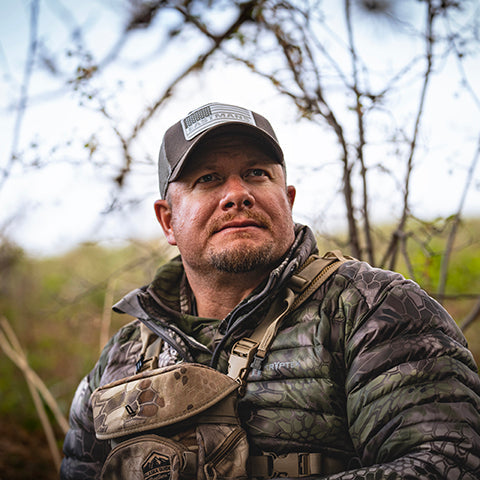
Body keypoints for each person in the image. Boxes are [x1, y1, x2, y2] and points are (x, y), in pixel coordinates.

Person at [61, 102, 480, 479]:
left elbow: (446, 460)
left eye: (256, 174)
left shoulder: (374, 309)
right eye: (208, 179)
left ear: (288, 199)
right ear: (167, 221)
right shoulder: (122, 357)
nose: (237, 194)